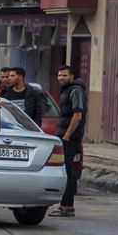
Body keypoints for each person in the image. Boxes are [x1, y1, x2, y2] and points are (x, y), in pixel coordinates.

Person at [50, 65, 88, 218]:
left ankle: (67, 206)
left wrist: (67, 135)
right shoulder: (67, 90)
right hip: (64, 136)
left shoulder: (75, 91)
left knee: (67, 171)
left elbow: (77, 115)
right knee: (65, 170)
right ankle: (65, 206)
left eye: (64, 75)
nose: (61, 78)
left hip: (69, 138)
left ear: (72, 76)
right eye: (59, 75)